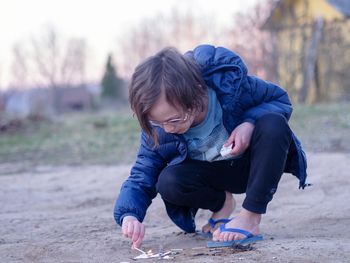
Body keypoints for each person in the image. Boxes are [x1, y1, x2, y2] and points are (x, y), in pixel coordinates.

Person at [113, 44, 307, 248]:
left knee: (273, 124)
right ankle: (222, 203)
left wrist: (249, 123)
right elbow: (142, 174)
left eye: (174, 120)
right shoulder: (160, 130)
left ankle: (250, 217)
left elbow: (280, 100)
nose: (167, 129)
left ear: (196, 95)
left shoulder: (230, 86)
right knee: (168, 181)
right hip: (212, 177)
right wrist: (129, 215)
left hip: (250, 167)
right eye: (157, 122)